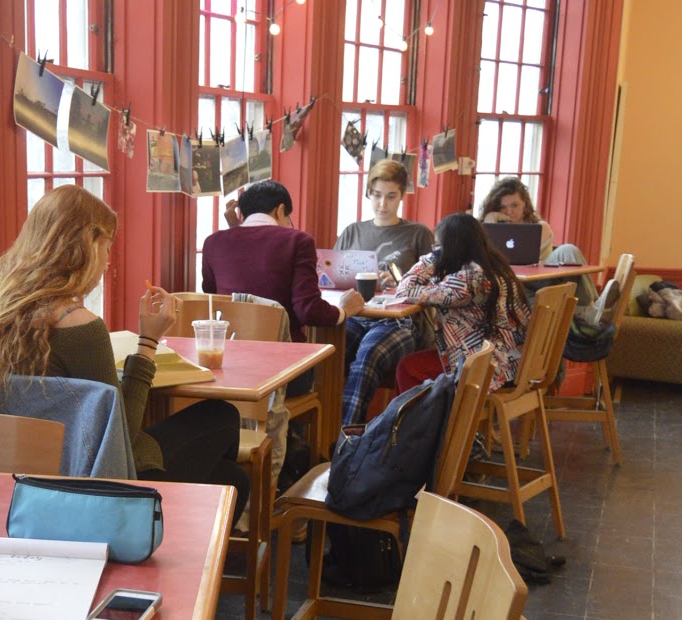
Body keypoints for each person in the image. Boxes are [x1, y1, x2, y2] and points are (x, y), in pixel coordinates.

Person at [0, 184, 249, 517]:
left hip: (6, 480)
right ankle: (148, 525)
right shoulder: (78, 326)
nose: (107, 263)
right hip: (91, 480)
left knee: (231, 480)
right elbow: (119, 431)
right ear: (86, 248)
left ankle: (167, 525)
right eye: (106, 248)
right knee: (223, 415)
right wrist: (148, 342)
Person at [204, 179, 365, 351]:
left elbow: (214, 297)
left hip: (226, 351)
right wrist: (344, 310)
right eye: (288, 217)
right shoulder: (298, 241)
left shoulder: (213, 242)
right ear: (280, 210)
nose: (289, 224)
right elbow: (309, 310)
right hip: (283, 356)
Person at [336, 158, 433, 424]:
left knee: (368, 354)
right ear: (368, 192)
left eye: (391, 197)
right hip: (357, 314)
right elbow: (332, 280)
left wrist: (401, 282)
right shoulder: (352, 231)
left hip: (400, 321)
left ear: (402, 195)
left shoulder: (418, 234)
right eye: (377, 195)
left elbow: (435, 287)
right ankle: (319, 433)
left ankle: (346, 438)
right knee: (329, 351)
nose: (382, 204)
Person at [392, 213, 531, 393]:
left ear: (452, 248)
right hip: (514, 364)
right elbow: (446, 289)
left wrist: (432, 258)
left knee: (408, 367)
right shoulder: (495, 270)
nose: (436, 251)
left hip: (486, 370)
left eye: (439, 246)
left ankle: (424, 421)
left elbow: (404, 291)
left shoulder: (465, 281)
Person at [479, 174, 599, 303]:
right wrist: (489, 224)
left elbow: (543, 267)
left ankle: (592, 306)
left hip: (538, 280)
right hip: (509, 284)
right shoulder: (486, 227)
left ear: (524, 204)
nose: (509, 211)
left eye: (515, 205)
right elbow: (485, 262)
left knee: (569, 249)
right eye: (503, 207)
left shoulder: (540, 228)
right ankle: (590, 313)